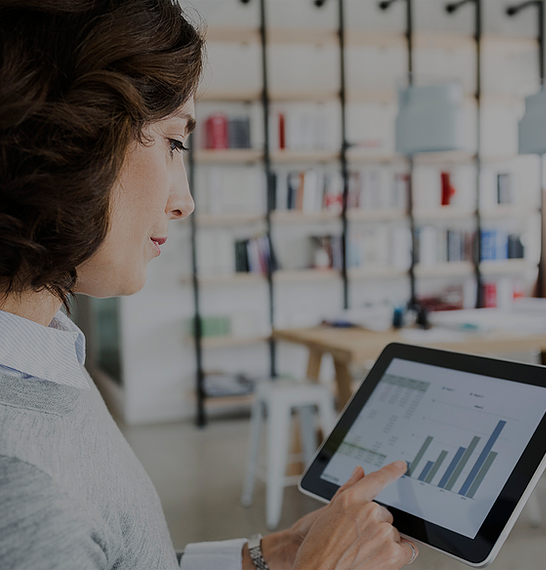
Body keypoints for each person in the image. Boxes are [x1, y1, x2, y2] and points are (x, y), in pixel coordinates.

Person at [0, 1, 419, 569]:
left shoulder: (47, 349)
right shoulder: (21, 496)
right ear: (69, 138)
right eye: (174, 142)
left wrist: (269, 556)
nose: (185, 200)